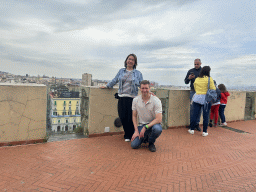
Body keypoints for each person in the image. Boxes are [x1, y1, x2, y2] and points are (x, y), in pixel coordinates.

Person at [101, 54, 143, 142]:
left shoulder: (138, 73)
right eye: (129, 59)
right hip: (122, 97)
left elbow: (142, 85)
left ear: (135, 62)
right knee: (122, 116)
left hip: (132, 98)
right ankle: (127, 133)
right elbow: (115, 80)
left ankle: (131, 134)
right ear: (126, 60)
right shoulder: (121, 71)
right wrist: (107, 86)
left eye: (132, 60)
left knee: (131, 117)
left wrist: (148, 91)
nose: (130, 61)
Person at [131, 80, 162, 152]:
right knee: (134, 145)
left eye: (146, 88)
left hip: (153, 124)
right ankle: (145, 137)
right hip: (141, 125)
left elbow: (159, 119)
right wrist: (136, 131)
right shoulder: (135, 100)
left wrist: (146, 127)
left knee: (157, 129)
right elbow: (134, 116)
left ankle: (151, 142)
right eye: (142, 88)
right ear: (140, 88)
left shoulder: (156, 100)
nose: (144, 90)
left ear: (150, 88)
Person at [188, 66, 216, 137]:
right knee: (205, 115)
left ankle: (191, 129)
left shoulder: (197, 79)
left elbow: (195, 87)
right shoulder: (209, 79)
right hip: (206, 99)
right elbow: (213, 88)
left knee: (195, 114)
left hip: (197, 97)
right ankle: (204, 131)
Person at [184, 59, 202, 131]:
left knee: (199, 109)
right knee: (192, 108)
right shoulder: (190, 71)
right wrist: (189, 78)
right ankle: (192, 124)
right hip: (193, 91)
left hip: (201, 92)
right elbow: (185, 82)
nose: (196, 65)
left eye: (197, 64)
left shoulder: (203, 71)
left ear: (200, 64)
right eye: (195, 64)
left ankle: (197, 124)